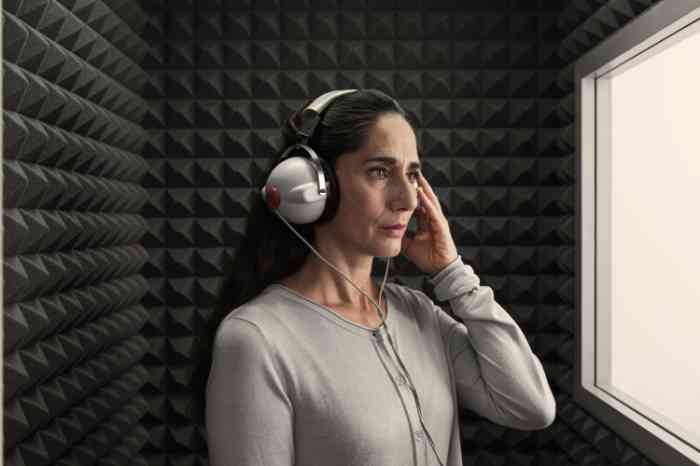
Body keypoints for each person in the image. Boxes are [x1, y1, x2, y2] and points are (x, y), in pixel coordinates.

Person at [204, 89, 556, 466]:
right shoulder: (256, 339)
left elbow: (531, 407)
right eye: (379, 171)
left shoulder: (419, 314)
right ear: (316, 185)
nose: (407, 199)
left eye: (413, 174)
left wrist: (452, 272)